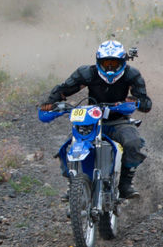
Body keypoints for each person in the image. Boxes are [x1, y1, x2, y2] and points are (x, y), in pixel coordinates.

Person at [39, 40, 151, 199]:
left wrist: (135, 102)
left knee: (133, 142)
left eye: (114, 63)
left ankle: (126, 183)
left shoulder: (131, 74)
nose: (110, 68)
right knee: (68, 146)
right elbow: (64, 89)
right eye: (106, 63)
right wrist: (50, 103)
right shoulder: (87, 73)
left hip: (119, 121)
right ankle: (74, 184)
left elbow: (146, 103)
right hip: (91, 120)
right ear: (98, 61)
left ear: (122, 62)